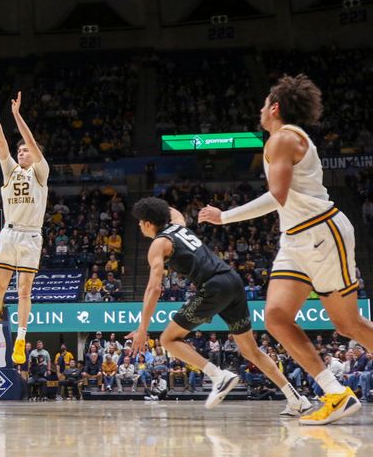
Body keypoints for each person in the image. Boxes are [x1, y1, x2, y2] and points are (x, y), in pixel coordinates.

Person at [199, 74, 371, 425]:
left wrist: (225, 217)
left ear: (274, 107)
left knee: (348, 324)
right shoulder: (279, 141)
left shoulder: (283, 138)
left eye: (264, 104)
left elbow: (277, 196)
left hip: (321, 232)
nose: (260, 110)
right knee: (276, 316)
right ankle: (335, 393)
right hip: (294, 238)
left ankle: (335, 392)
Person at [128, 198, 311, 415]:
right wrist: (155, 208)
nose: (139, 226)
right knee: (251, 350)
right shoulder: (178, 225)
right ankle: (296, 399)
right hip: (232, 281)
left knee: (168, 340)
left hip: (214, 287)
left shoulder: (158, 244)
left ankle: (218, 375)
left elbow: (154, 289)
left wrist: (142, 329)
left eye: (140, 221)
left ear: (149, 223)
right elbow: (173, 210)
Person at [0, 92, 49, 364]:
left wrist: (16, 115)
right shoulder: (10, 171)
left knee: (25, 290)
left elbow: (28, 141)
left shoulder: (41, 172)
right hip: (9, 232)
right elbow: (0, 141)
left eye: (26, 149)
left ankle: (20, 340)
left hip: (30, 235)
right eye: (20, 151)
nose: (22, 152)